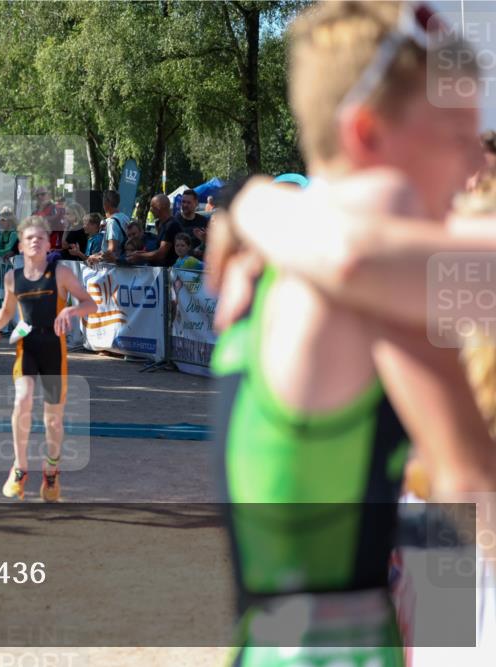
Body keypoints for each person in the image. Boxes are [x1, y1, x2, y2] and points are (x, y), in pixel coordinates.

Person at [208, 4, 495, 667]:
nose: (473, 164)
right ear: (367, 131)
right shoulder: (367, 244)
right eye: (455, 136)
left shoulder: (280, 256)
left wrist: (245, 198)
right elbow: (470, 473)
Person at [0, 216, 96, 501]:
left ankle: (51, 471)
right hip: (28, 346)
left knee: (53, 421)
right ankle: (19, 468)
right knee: (21, 400)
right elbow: (8, 311)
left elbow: (90, 303)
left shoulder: (61, 274)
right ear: (20, 246)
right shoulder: (13, 278)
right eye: (29, 238)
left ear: (49, 244)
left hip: (53, 351)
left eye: (41, 237)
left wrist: (70, 311)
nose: (35, 241)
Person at [127, 194, 181, 267]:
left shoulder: (171, 225)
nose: (150, 209)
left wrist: (140, 255)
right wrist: (142, 253)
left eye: (152, 206)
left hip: (168, 272)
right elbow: (158, 250)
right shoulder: (161, 224)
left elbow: (161, 253)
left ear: (160, 207)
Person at [87, 189, 128, 263]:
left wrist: (98, 258)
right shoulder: (125, 217)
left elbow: (111, 249)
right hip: (121, 263)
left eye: (103, 201)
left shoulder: (112, 222)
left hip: (111, 267)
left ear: (106, 203)